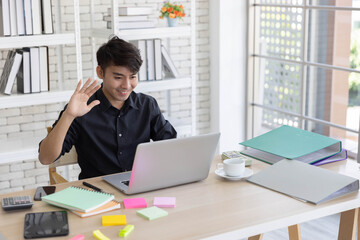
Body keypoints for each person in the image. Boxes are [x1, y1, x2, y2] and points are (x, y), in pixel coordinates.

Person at [38, 36, 177, 179]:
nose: (127, 85)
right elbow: (45, 158)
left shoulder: (147, 105)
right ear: (100, 72)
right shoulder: (81, 109)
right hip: (96, 193)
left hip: (140, 186)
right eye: (118, 77)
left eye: (133, 77)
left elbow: (172, 148)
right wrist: (68, 116)